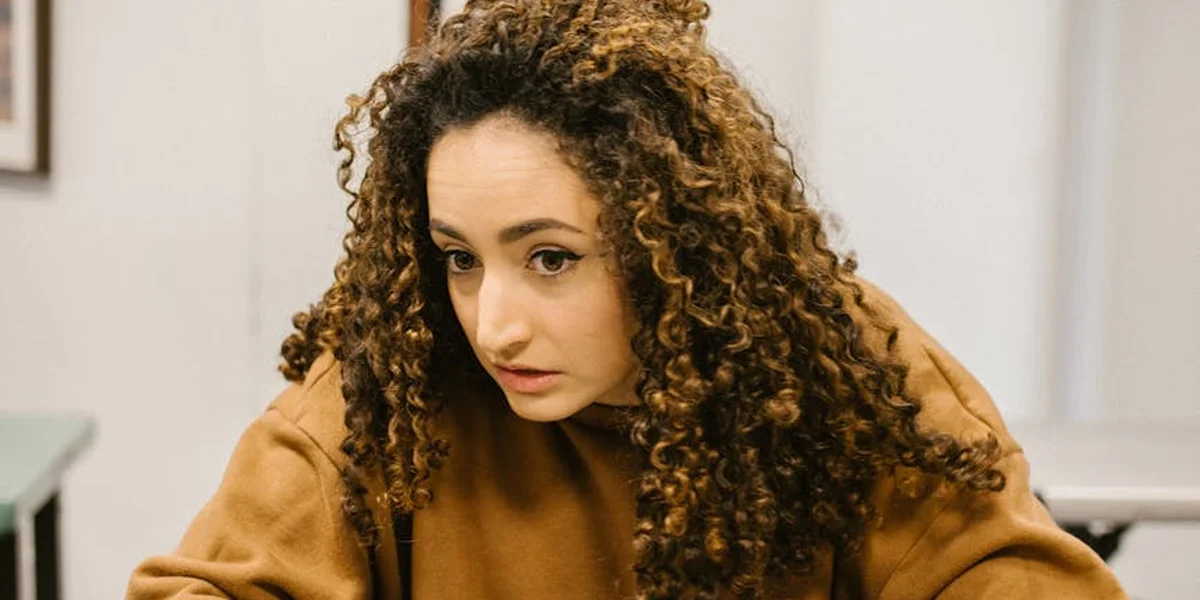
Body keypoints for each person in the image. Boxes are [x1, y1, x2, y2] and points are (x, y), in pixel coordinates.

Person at [126, 1, 1127, 598]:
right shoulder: (390, 385)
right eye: (459, 258)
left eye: (551, 258)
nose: (493, 324)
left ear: (674, 241)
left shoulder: (851, 371)